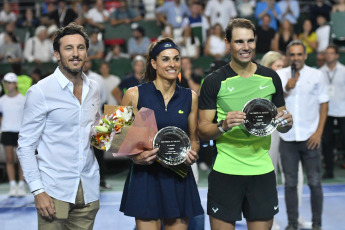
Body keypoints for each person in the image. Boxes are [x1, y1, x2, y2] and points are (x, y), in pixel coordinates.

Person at [198, 18, 293, 230]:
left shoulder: (270, 77)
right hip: (225, 171)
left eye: (250, 41)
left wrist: (287, 122)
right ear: (227, 43)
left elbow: (281, 122)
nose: (246, 47)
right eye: (239, 42)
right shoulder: (214, 81)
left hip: (262, 170)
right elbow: (203, 130)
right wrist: (223, 124)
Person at [17, 22, 100, 229]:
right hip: (53, 192)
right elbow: (25, 146)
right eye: (68, 48)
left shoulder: (95, 88)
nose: (75, 54)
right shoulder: (40, 92)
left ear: (86, 53)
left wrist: (109, 134)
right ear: (57, 54)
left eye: (80, 48)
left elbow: (92, 130)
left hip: (88, 191)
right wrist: (37, 191)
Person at [120, 37, 203, 230]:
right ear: (154, 63)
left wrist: (192, 154)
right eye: (165, 59)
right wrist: (136, 157)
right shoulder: (134, 94)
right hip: (145, 177)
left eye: (176, 59)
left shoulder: (190, 97)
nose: (172, 64)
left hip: (179, 177)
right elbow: (112, 137)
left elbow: (194, 140)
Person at [276, 40, 328, 230]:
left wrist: (319, 132)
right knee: (290, 184)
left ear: (305, 56)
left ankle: (317, 225)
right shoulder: (279, 75)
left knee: (315, 183)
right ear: (288, 56)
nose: (296, 58)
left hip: (310, 138)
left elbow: (324, 103)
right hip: (287, 139)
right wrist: (287, 88)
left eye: (299, 54)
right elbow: (273, 102)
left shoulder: (317, 75)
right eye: (293, 54)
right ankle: (292, 224)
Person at [261, 50, 311, 230]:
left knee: (296, 175)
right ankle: (269, 218)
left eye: (284, 67)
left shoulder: (293, 82)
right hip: (271, 132)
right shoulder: (262, 84)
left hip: (291, 132)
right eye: (278, 68)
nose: (282, 71)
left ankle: (295, 216)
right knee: (269, 175)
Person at [320, 44, 345, 179]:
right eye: (327, 53)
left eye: (331, 53)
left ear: (336, 55)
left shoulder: (343, 70)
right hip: (327, 113)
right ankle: (329, 171)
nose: (328, 55)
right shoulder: (320, 72)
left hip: (343, 111)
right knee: (327, 143)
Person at [0, 72, 26, 197]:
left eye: (10, 83)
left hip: (20, 133)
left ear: (15, 84)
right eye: (6, 83)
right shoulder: (2, 100)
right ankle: (12, 185)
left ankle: (21, 185)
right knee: (9, 160)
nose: (8, 85)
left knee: (21, 160)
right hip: (7, 132)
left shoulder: (23, 99)